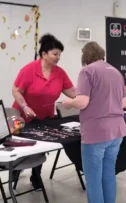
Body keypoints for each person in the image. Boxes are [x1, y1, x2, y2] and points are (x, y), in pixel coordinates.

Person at [62, 42, 126, 203]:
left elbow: (82, 102)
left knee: (93, 179)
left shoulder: (87, 71)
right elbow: (123, 104)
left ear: (85, 56)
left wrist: (68, 103)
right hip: (117, 132)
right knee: (108, 175)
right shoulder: (116, 72)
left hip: (96, 133)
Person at [12, 33, 76, 190]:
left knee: (41, 147)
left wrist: (88, 95)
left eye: (60, 54)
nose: (58, 57)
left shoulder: (59, 73)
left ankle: (36, 175)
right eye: (55, 54)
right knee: (24, 147)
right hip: (22, 116)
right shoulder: (29, 70)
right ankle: (16, 170)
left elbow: (72, 92)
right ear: (44, 54)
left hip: (45, 117)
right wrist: (25, 107)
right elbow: (16, 90)